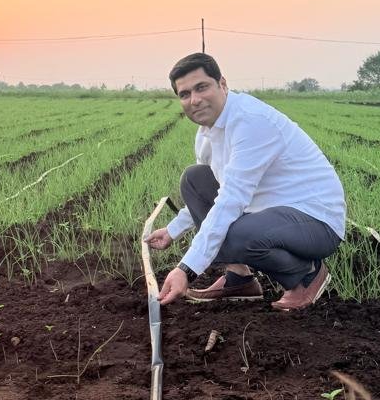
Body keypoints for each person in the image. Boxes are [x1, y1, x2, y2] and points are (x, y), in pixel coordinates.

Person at [147, 52, 345, 310]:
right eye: (185, 94)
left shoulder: (251, 122)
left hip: (316, 219)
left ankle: (306, 276)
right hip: (271, 212)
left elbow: (231, 200)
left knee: (235, 235)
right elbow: (220, 192)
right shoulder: (206, 134)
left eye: (202, 87)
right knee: (194, 179)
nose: (194, 100)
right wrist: (173, 230)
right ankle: (238, 278)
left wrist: (186, 269)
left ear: (222, 84)